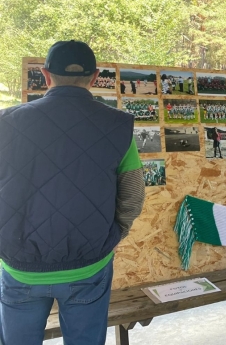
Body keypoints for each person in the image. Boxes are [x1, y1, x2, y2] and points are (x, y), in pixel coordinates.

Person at [0, 40, 145, 345]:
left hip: (20, 266)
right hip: (89, 265)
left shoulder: (7, 124)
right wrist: (113, 235)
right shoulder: (117, 126)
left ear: (45, 74)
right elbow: (132, 196)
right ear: (94, 78)